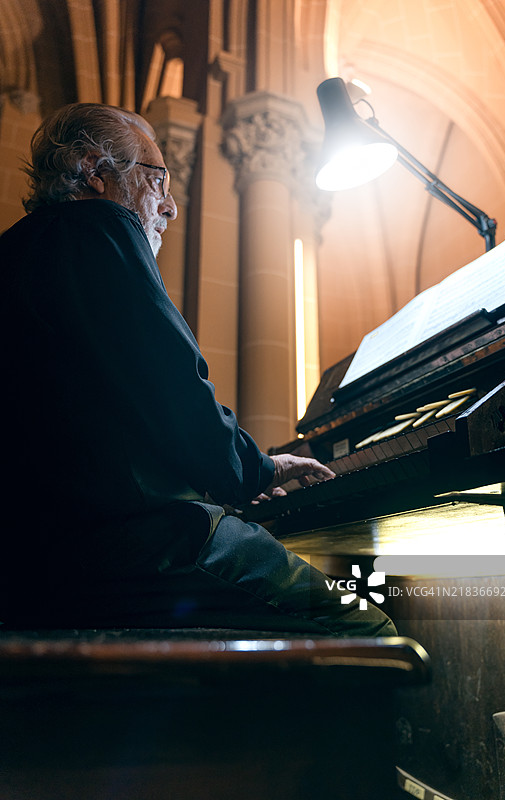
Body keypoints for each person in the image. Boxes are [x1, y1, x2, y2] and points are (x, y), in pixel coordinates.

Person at [0, 102, 395, 636]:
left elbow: (115, 417)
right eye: (157, 178)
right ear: (95, 172)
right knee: (367, 627)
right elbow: (173, 392)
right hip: (134, 550)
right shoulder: (100, 229)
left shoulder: (20, 250)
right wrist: (257, 468)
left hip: (40, 560)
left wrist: (237, 468)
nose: (171, 207)